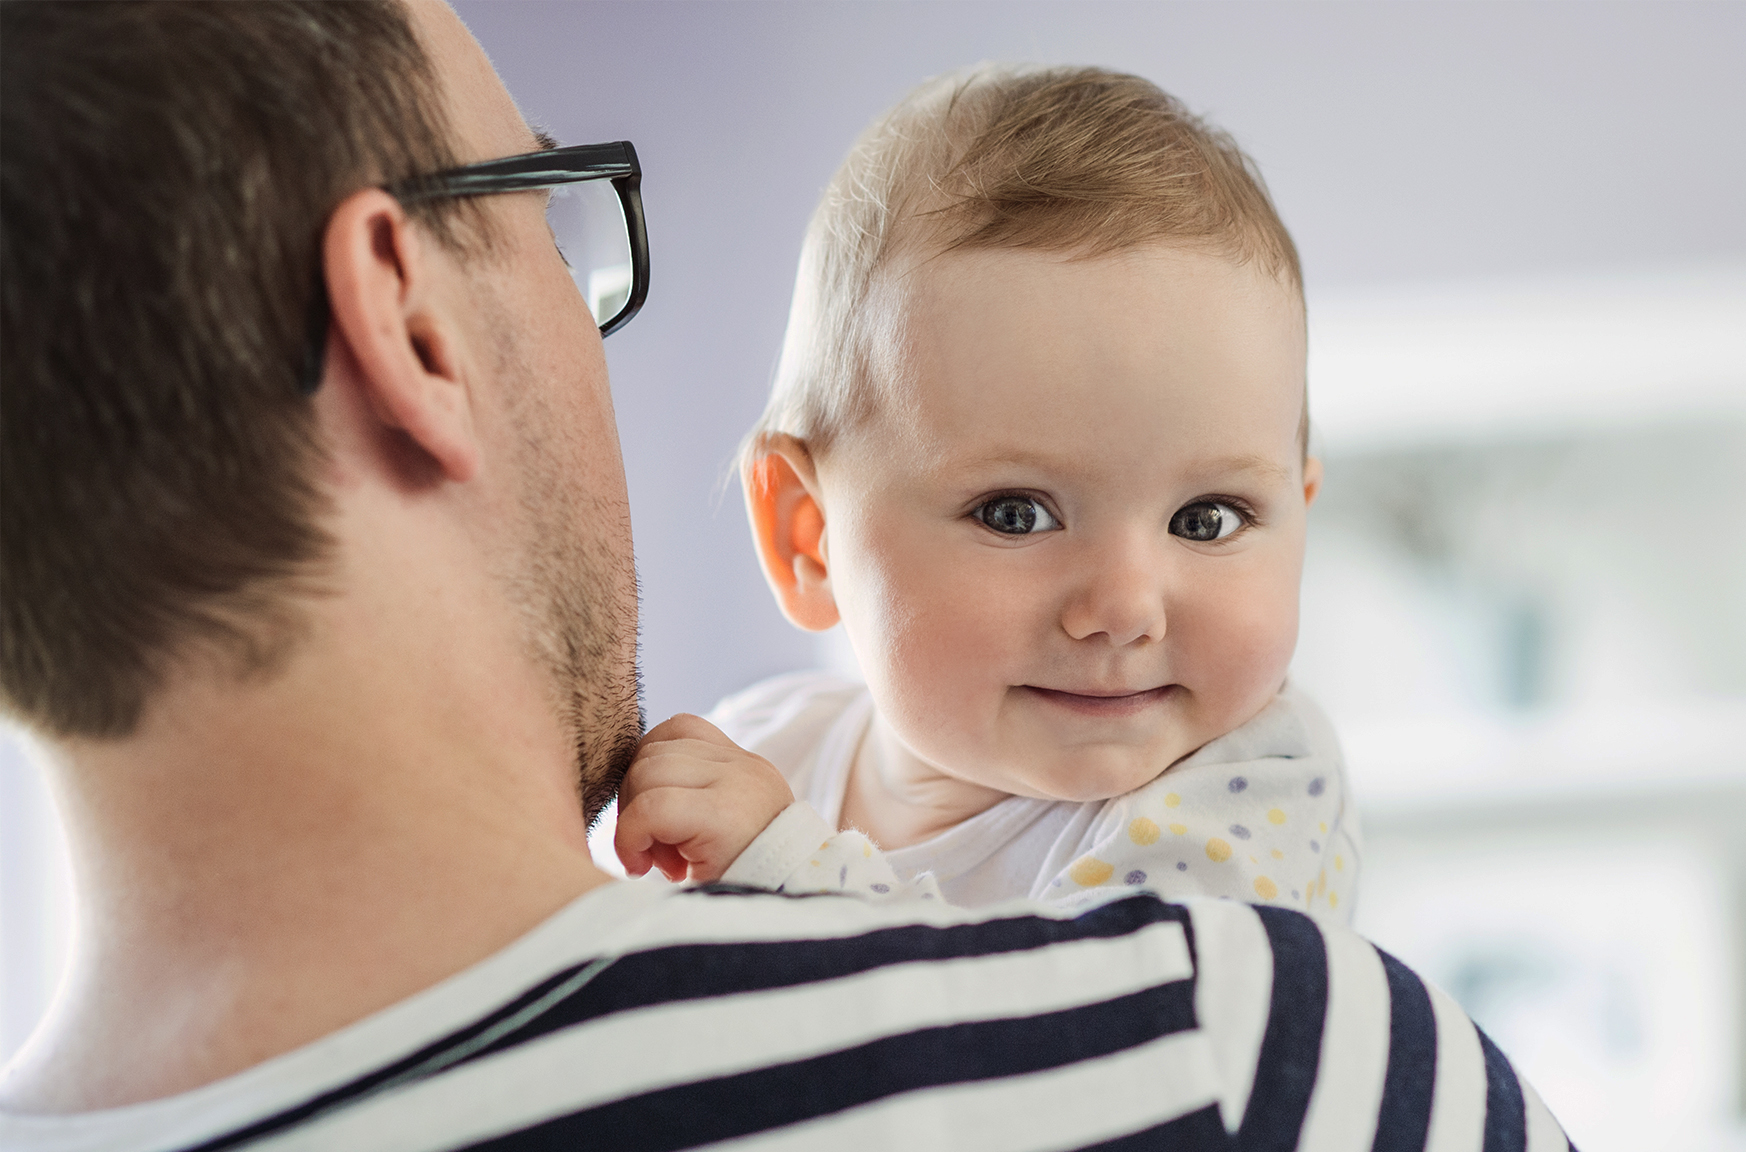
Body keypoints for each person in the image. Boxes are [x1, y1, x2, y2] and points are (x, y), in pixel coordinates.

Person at [0, 2, 1569, 1149]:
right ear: (409, 321)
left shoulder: (1241, 805)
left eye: (1210, 520)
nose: (1124, 603)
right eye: (546, 215)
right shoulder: (1227, 1050)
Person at [613, 67, 1359, 920]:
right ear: (811, 538)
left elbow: (1085, 1033)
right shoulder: (765, 751)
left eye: (1206, 519)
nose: (1123, 607)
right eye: (1017, 514)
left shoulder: (1254, 787)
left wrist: (789, 871)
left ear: (1300, 513)